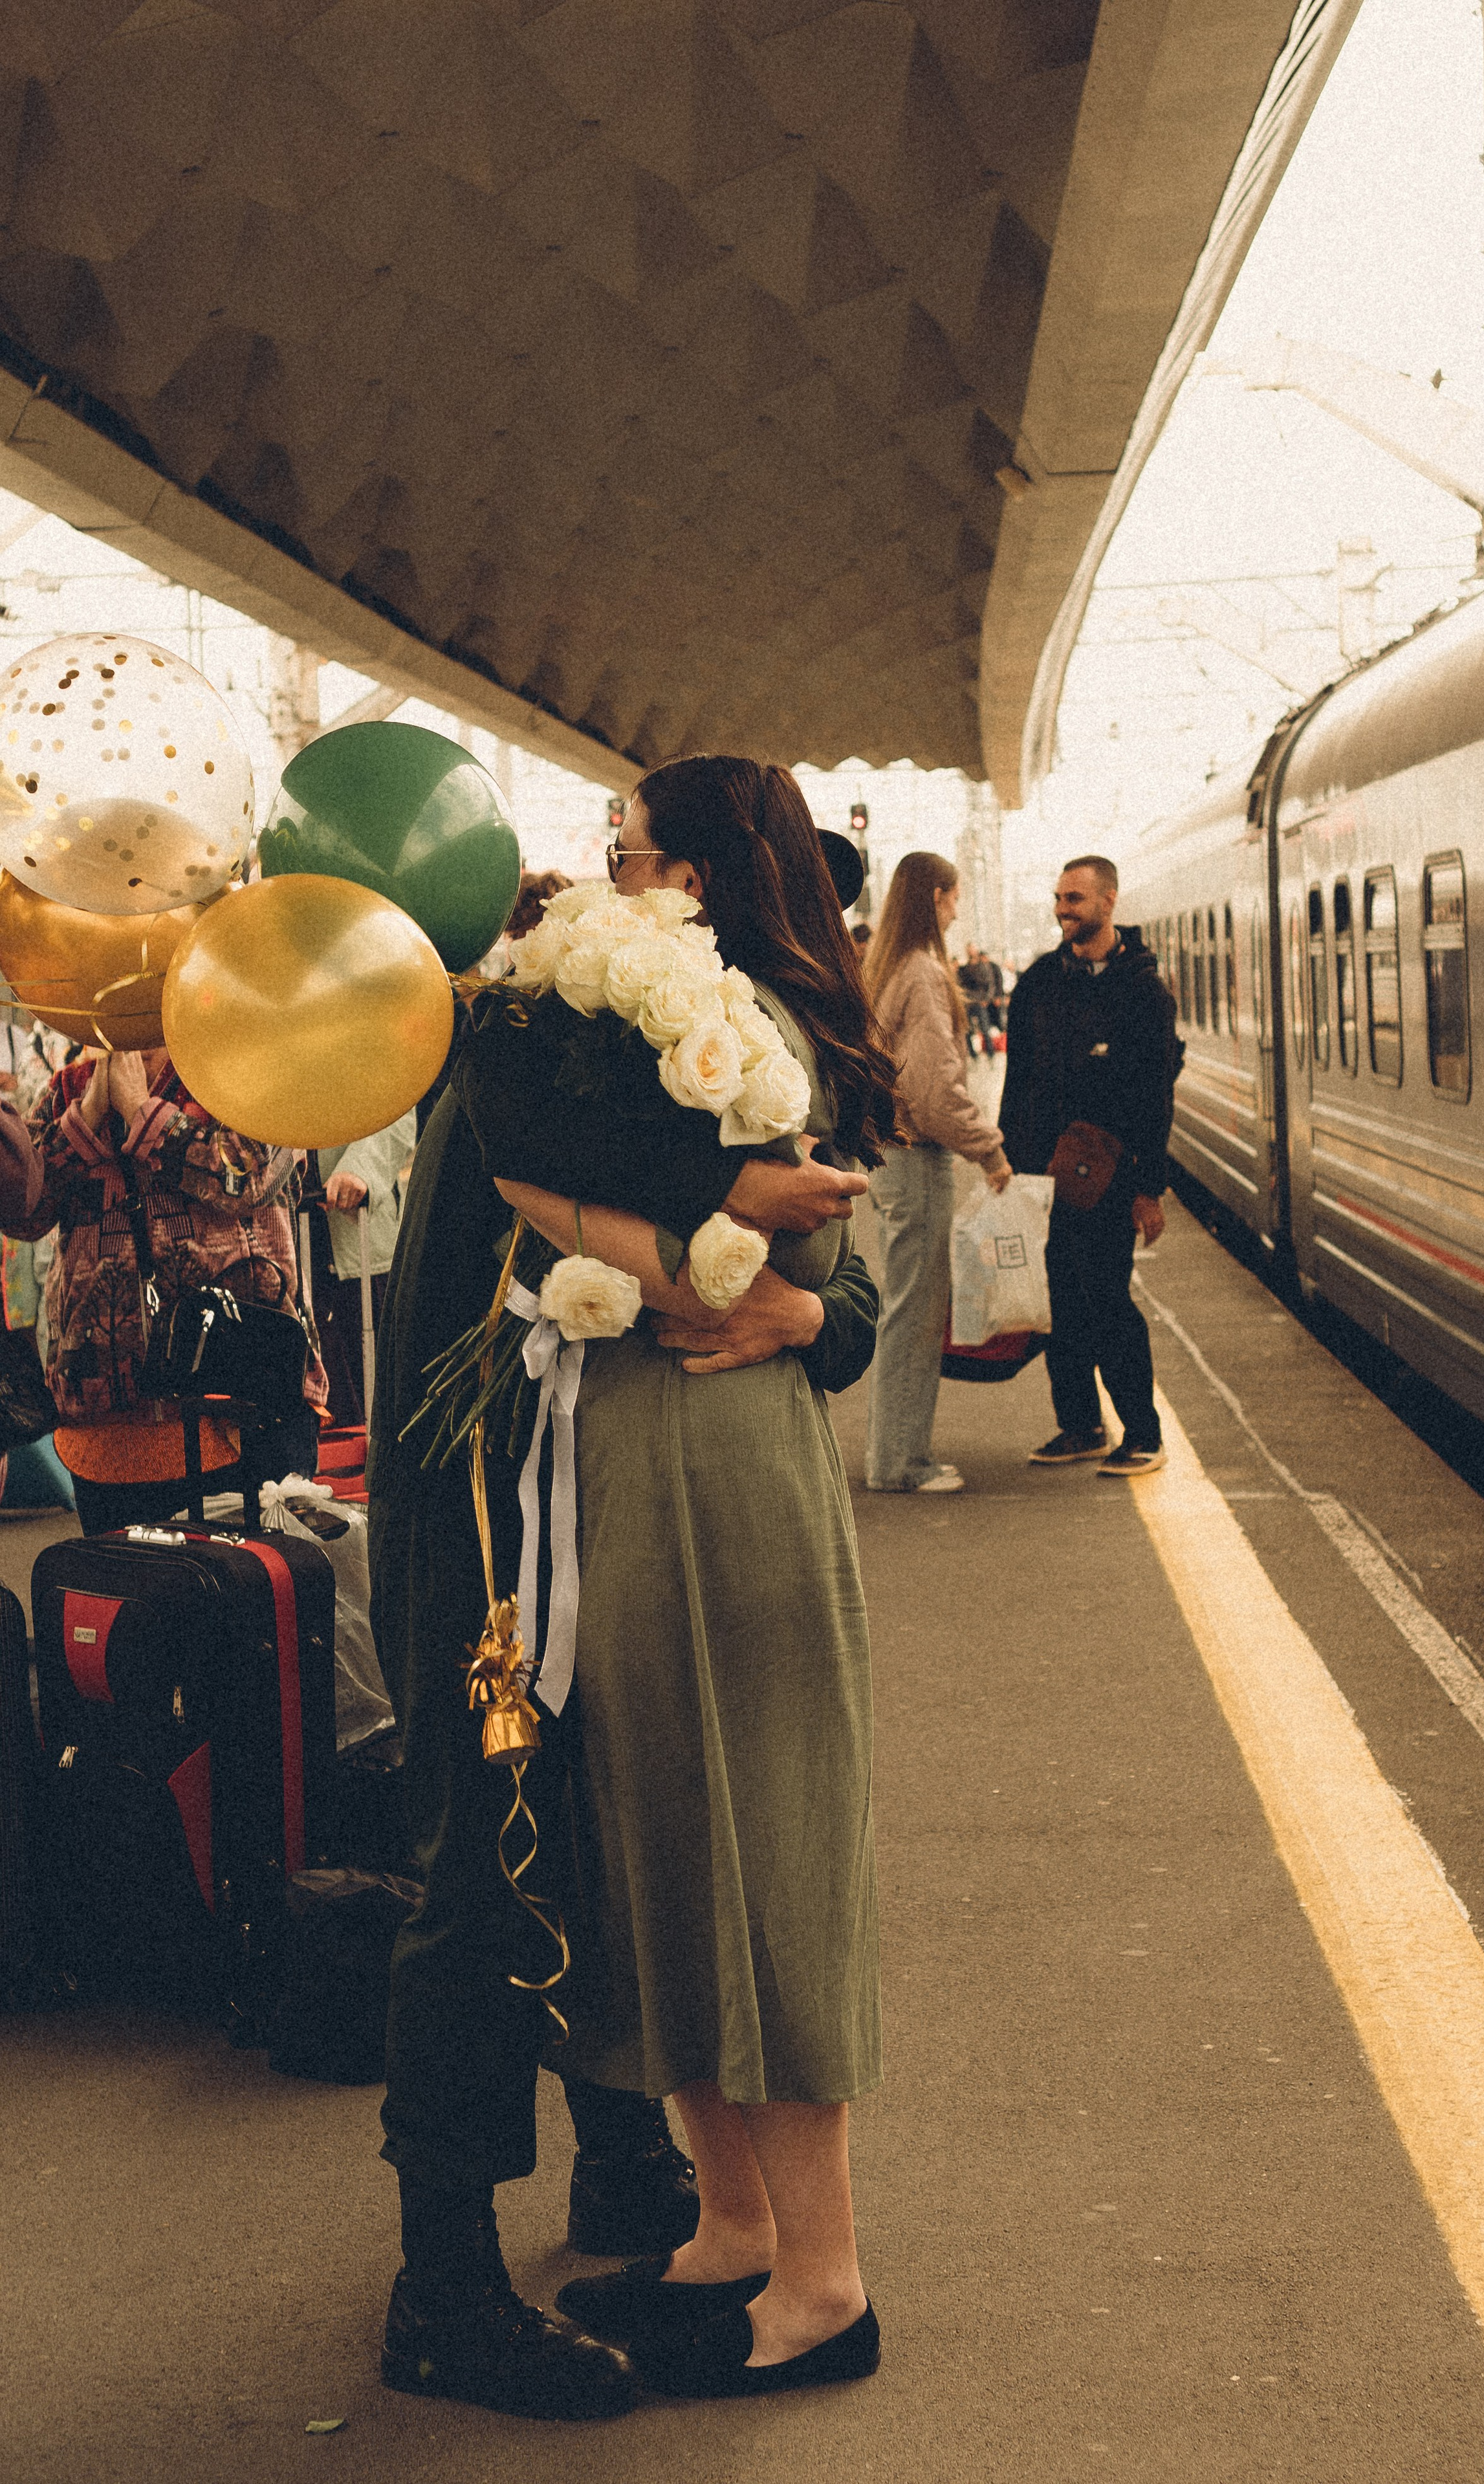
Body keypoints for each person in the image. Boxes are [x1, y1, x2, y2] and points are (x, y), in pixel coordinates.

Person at [369, 756, 890, 2418]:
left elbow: (837, 1245)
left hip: (659, 1494)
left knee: (703, 1851)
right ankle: (638, 2236)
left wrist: (807, 1310)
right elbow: (546, 1167)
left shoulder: (695, 1034)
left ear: (708, 876)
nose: (604, 880)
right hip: (530, 1511)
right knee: (601, 1863)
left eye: (630, 854)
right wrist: (721, 1202)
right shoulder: (555, 1048)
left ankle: (763, 2247)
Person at [8, 1046, 324, 1532]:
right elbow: (23, 1212)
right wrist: (87, 1115)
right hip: (103, 1432)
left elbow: (250, 1174)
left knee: (248, 1597)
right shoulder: (68, 1088)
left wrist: (144, 1114)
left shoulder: (251, 1062)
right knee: (126, 1597)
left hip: (243, 1414)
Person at [999, 855, 1178, 1477]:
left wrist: (1148, 1189)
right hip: (1043, 1175)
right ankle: (1079, 1425)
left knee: (1108, 1301)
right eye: (1058, 898)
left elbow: (1157, 1096)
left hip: (1111, 1179)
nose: (1062, 909)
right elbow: (1016, 1081)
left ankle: (1144, 1433)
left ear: (1109, 902)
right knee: (1060, 1303)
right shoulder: (1040, 982)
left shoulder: (1142, 989)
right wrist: (1008, 1161)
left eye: (1074, 899)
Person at [862, 853, 1010, 1494]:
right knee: (917, 1315)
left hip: (890, 1156)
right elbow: (933, 1088)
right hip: (916, 1159)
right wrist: (989, 1149)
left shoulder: (886, 967)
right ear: (941, 897)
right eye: (954, 898)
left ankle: (896, 1454)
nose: (957, 908)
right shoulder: (923, 973)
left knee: (907, 1309)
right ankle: (901, 1462)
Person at [305, 1113, 416, 1428]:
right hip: (281, 1248)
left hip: (359, 1244)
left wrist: (360, 1169)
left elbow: (395, 1104)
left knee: (378, 1401)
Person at [956, 943, 997, 1057]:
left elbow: (990, 984)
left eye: (972, 950)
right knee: (967, 1029)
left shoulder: (983, 967)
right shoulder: (965, 968)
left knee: (985, 1028)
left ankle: (991, 1052)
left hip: (980, 1001)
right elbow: (961, 985)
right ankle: (973, 1053)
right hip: (969, 1002)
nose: (970, 952)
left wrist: (986, 999)